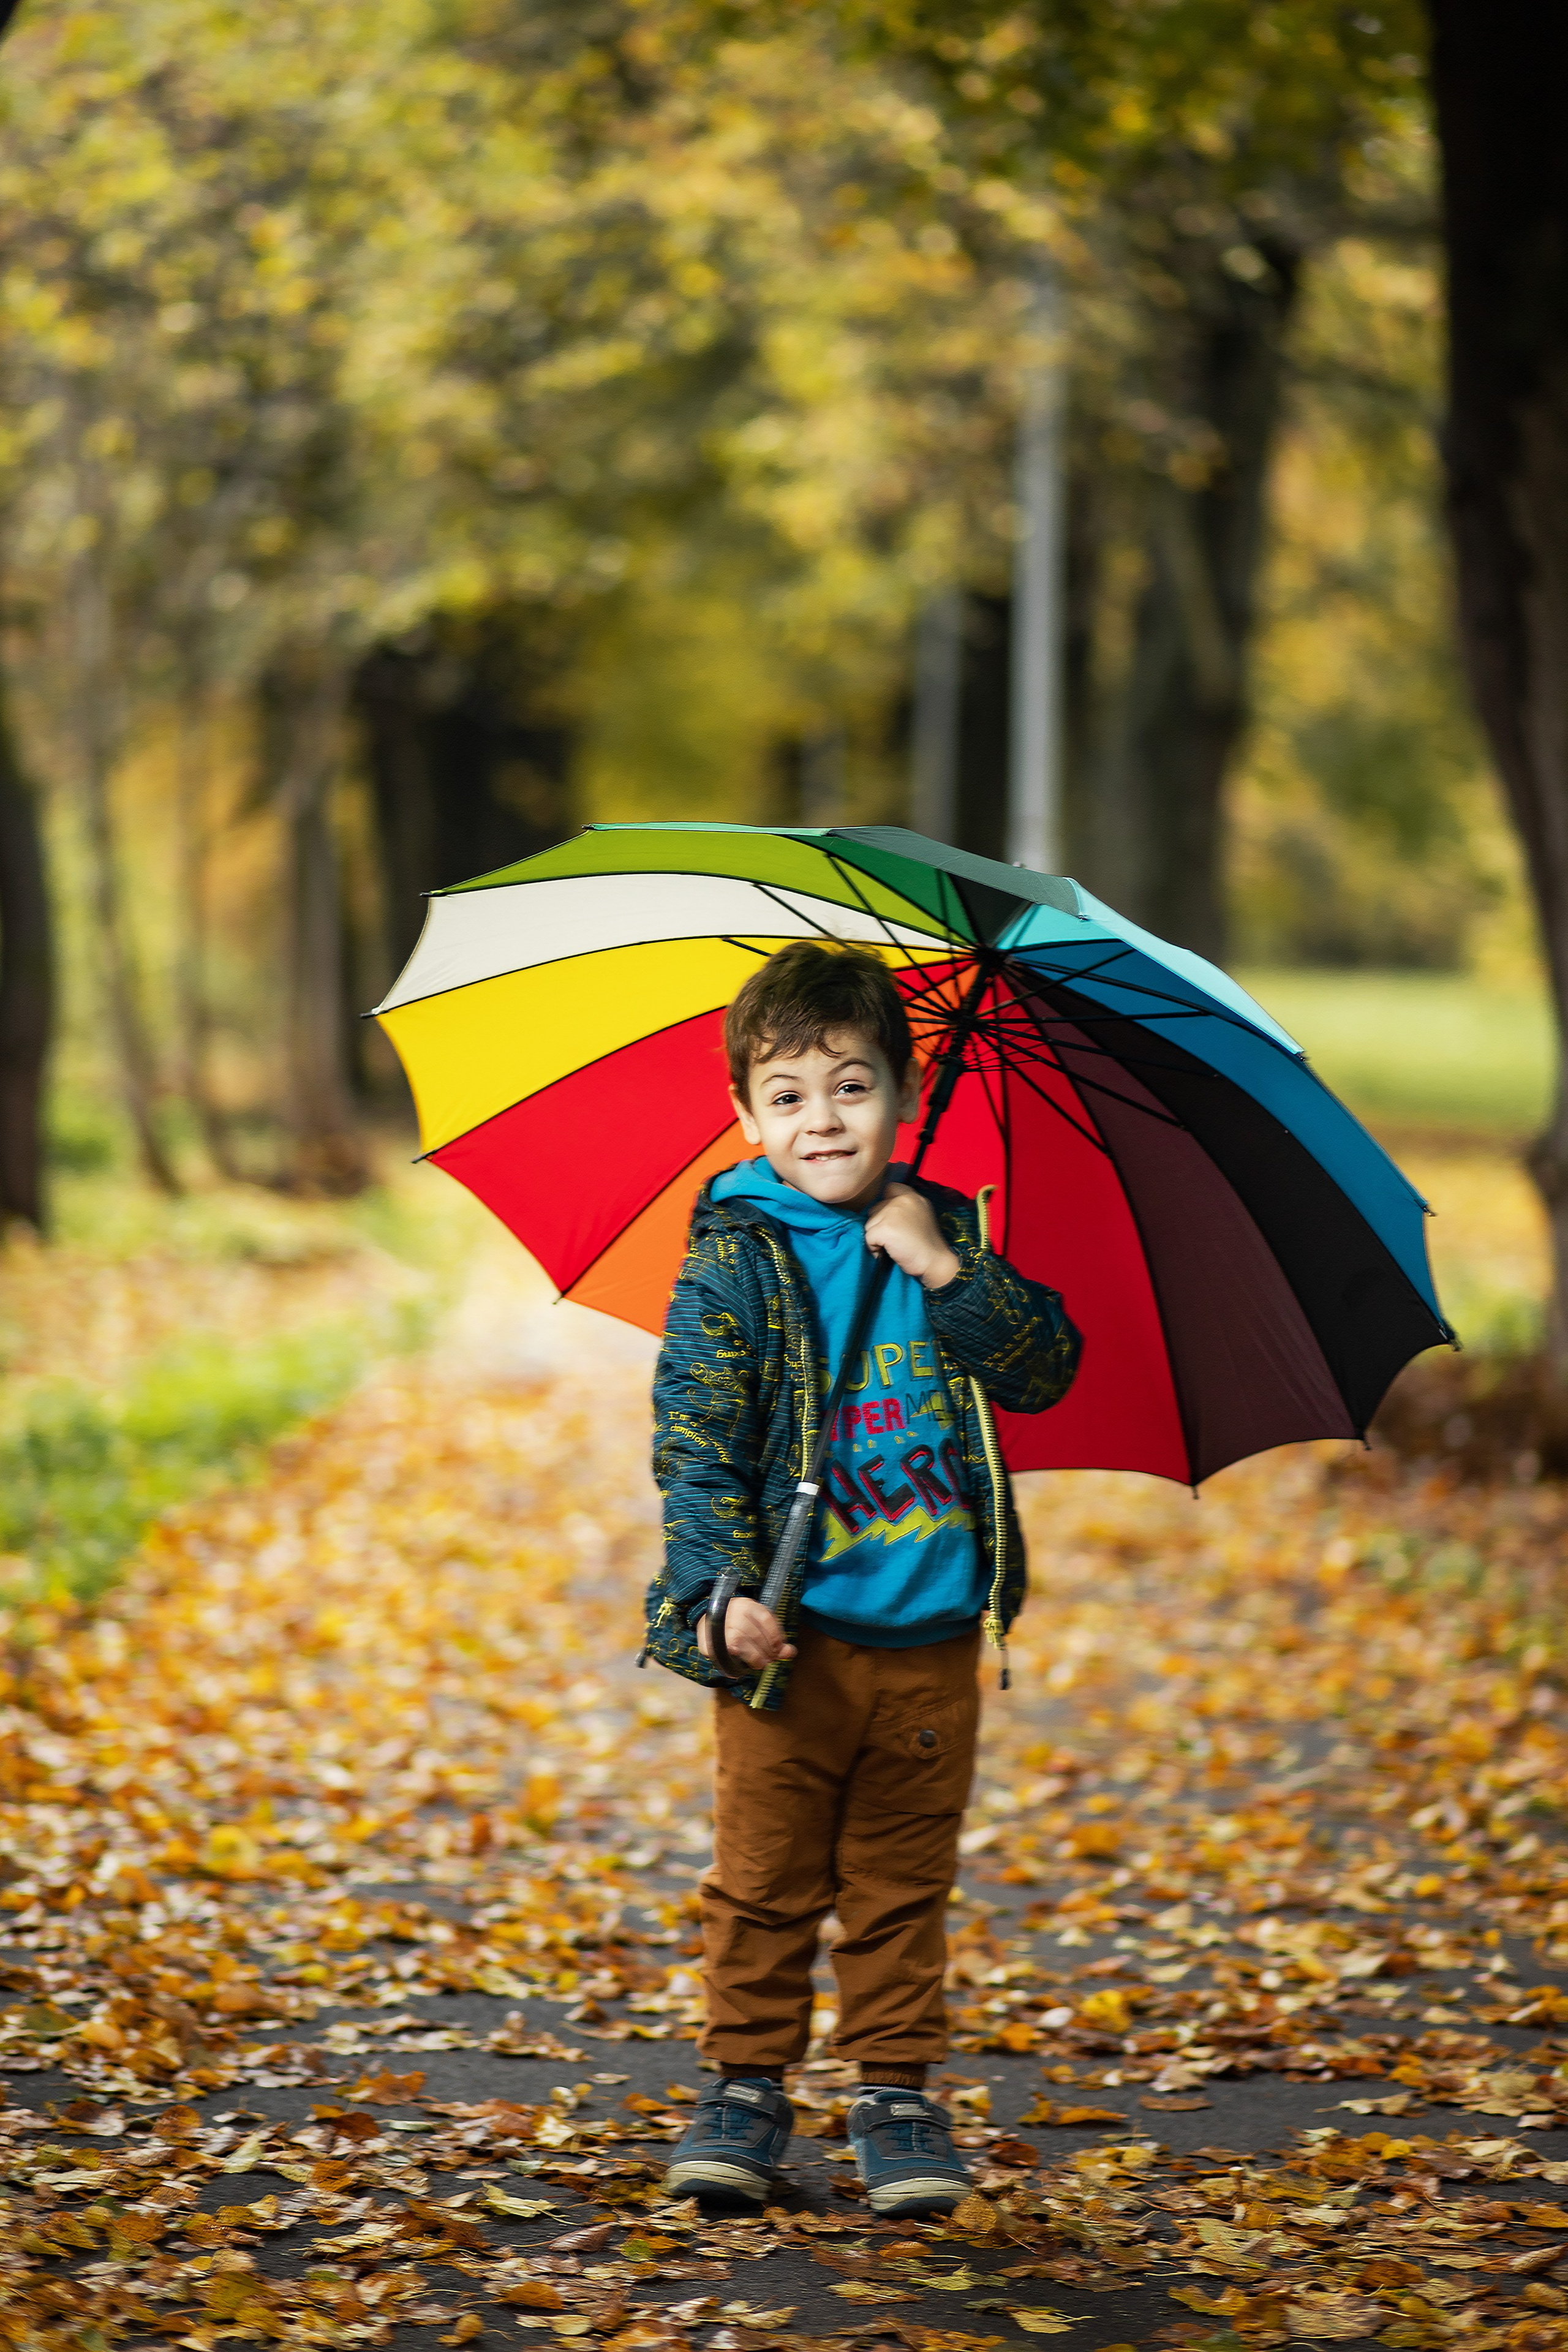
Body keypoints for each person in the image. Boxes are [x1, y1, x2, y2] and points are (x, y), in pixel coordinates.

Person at [643, 939, 1080, 2216]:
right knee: (765, 1879)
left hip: (933, 1635)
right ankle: (743, 2086)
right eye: (786, 1096)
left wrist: (946, 1266)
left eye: (849, 1086)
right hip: (791, 1639)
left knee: (900, 1883)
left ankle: (893, 2094)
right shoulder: (734, 1256)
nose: (820, 1118)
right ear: (745, 1116)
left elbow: (1043, 1369)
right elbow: (696, 1447)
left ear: (900, 1090)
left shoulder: (947, 1234)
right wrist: (717, 1593)